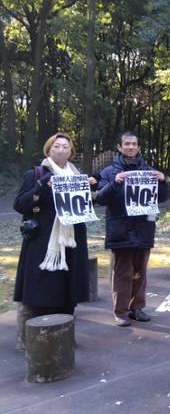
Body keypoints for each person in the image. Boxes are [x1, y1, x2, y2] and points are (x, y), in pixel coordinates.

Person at [96, 131, 170, 327]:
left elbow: (163, 197)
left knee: (140, 271)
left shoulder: (149, 171)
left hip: (143, 228)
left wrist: (163, 181)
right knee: (122, 272)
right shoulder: (109, 172)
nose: (130, 147)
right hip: (120, 228)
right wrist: (115, 183)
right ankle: (120, 311)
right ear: (120, 148)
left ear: (138, 147)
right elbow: (100, 198)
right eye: (126, 144)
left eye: (134, 144)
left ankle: (137, 308)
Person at [13, 133, 90, 318]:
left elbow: (85, 206)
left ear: (71, 152)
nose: (61, 149)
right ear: (48, 149)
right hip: (44, 239)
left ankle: (66, 323)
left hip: (72, 238)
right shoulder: (36, 174)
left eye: (65, 146)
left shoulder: (77, 176)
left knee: (68, 284)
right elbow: (20, 204)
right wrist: (40, 185)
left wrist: (92, 188)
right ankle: (41, 324)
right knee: (44, 284)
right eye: (56, 146)